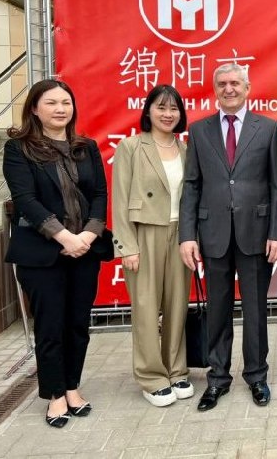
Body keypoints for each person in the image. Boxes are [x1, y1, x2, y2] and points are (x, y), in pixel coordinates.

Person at [179, 63, 277, 411]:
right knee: (218, 310)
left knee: (255, 311)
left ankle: (256, 376)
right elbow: (192, 185)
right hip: (213, 235)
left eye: (235, 83)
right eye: (222, 83)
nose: (229, 89)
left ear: (247, 88)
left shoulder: (268, 128)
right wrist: (187, 235)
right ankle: (218, 379)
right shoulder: (199, 130)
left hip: (256, 233)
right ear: (215, 89)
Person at [4, 79, 110, 427]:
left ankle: (73, 386)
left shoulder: (86, 147)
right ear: (35, 109)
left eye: (66, 102)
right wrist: (64, 237)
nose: (60, 109)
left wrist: (88, 235)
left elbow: (99, 194)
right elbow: (26, 200)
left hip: (85, 250)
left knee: (78, 323)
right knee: (50, 326)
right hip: (42, 254)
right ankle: (54, 395)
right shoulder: (19, 148)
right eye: (51, 103)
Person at [112, 85, 193, 406]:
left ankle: (176, 370)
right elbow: (119, 199)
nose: (168, 114)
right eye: (161, 107)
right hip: (144, 233)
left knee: (177, 305)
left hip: (180, 233)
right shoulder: (131, 146)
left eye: (174, 108)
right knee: (146, 308)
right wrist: (126, 246)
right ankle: (151, 376)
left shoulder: (186, 149)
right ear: (148, 111)